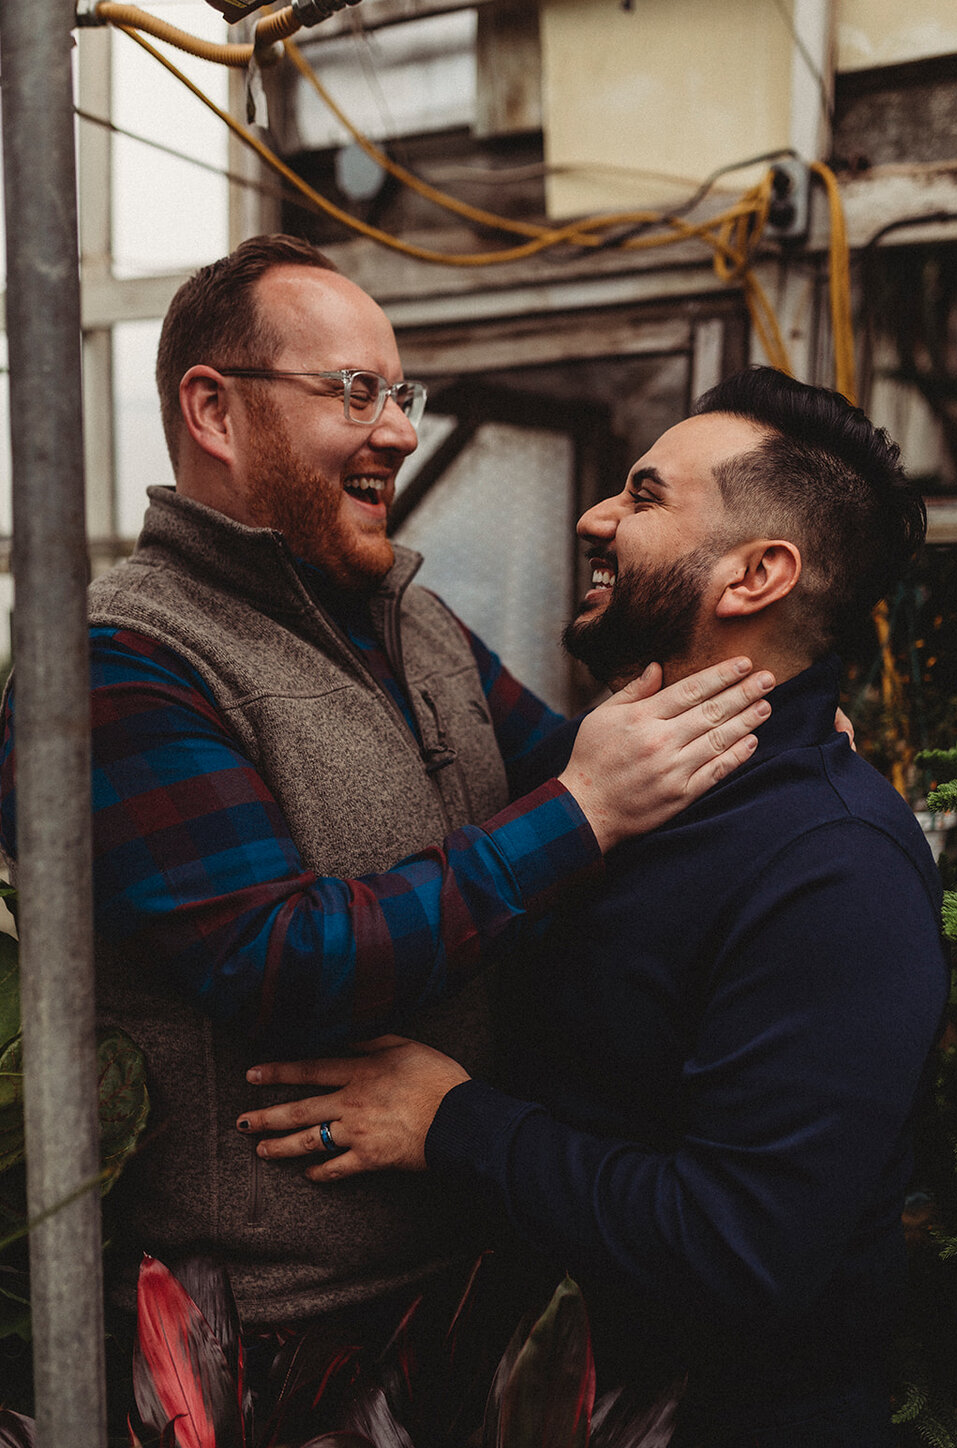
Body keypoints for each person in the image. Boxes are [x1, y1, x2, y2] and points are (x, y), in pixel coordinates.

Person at [0, 235, 772, 1341]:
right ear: (215, 412)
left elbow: (564, 757)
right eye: (355, 391)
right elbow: (278, 959)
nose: (401, 430)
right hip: (269, 1336)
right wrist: (583, 813)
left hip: (476, 1269)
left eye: (398, 392)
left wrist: (767, 726)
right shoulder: (122, 665)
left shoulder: (410, 617)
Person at [238, 368, 949, 1448]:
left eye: (643, 495)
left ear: (756, 574)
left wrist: (450, 1122)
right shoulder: (635, 783)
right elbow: (445, 686)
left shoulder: (831, 865)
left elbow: (741, 1246)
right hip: (555, 1447)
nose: (593, 516)